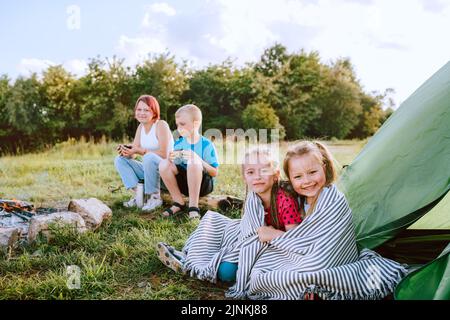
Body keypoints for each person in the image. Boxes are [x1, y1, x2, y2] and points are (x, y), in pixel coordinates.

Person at [156, 147, 302, 283]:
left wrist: (269, 234)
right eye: (251, 172)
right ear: (245, 177)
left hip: (274, 245)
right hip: (249, 236)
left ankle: (191, 264)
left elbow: (294, 238)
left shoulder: (284, 200)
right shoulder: (253, 196)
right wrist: (255, 234)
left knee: (227, 272)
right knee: (214, 225)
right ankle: (189, 258)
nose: (257, 177)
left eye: (264, 170)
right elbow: (248, 228)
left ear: (275, 175)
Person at [158, 104, 219, 219]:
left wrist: (198, 160)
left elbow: (214, 172)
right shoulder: (178, 143)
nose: (179, 128)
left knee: (194, 161)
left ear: (196, 124)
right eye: (177, 125)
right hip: (185, 184)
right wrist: (172, 158)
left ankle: (193, 207)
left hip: (203, 185)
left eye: (182, 124)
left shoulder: (206, 145)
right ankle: (178, 202)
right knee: (164, 163)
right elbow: (174, 166)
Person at [114, 95, 174, 211]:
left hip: (166, 173)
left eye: (146, 110)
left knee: (149, 157)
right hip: (150, 172)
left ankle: (155, 197)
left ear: (154, 111)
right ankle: (139, 195)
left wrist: (139, 150)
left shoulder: (161, 125)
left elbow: (164, 154)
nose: (142, 113)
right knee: (119, 159)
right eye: (139, 109)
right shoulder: (140, 127)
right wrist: (126, 151)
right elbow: (134, 153)